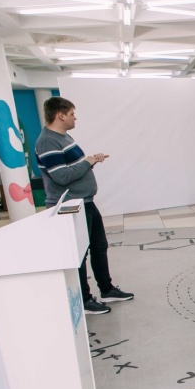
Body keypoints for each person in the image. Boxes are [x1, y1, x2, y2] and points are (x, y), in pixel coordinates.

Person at [34, 96, 133, 315]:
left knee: (99, 246)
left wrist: (91, 161)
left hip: (85, 201)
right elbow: (61, 176)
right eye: (72, 114)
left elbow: (73, 168)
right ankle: (84, 300)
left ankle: (106, 289)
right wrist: (88, 162)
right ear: (60, 115)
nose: (75, 118)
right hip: (70, 205)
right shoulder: (47, 141)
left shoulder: (64, 137)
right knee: (80, 253)